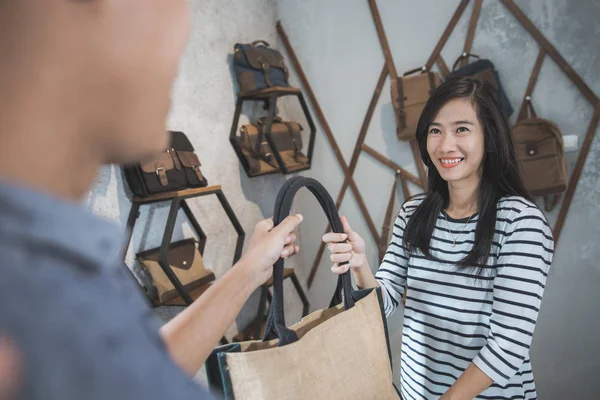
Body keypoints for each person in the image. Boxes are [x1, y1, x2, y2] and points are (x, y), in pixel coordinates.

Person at [0, 1, 302, 399]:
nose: (183, 21)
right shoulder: (33, 304)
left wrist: (248, 269)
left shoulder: (54, 271)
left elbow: (135, 370)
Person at [324, 76, 554, 400]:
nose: (445, 145)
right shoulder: (414, 213)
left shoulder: (520, 222)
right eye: (435, 130)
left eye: (461, 129)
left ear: (489, 138)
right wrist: (361, 266)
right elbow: (383, 303)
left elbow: (508, 344)